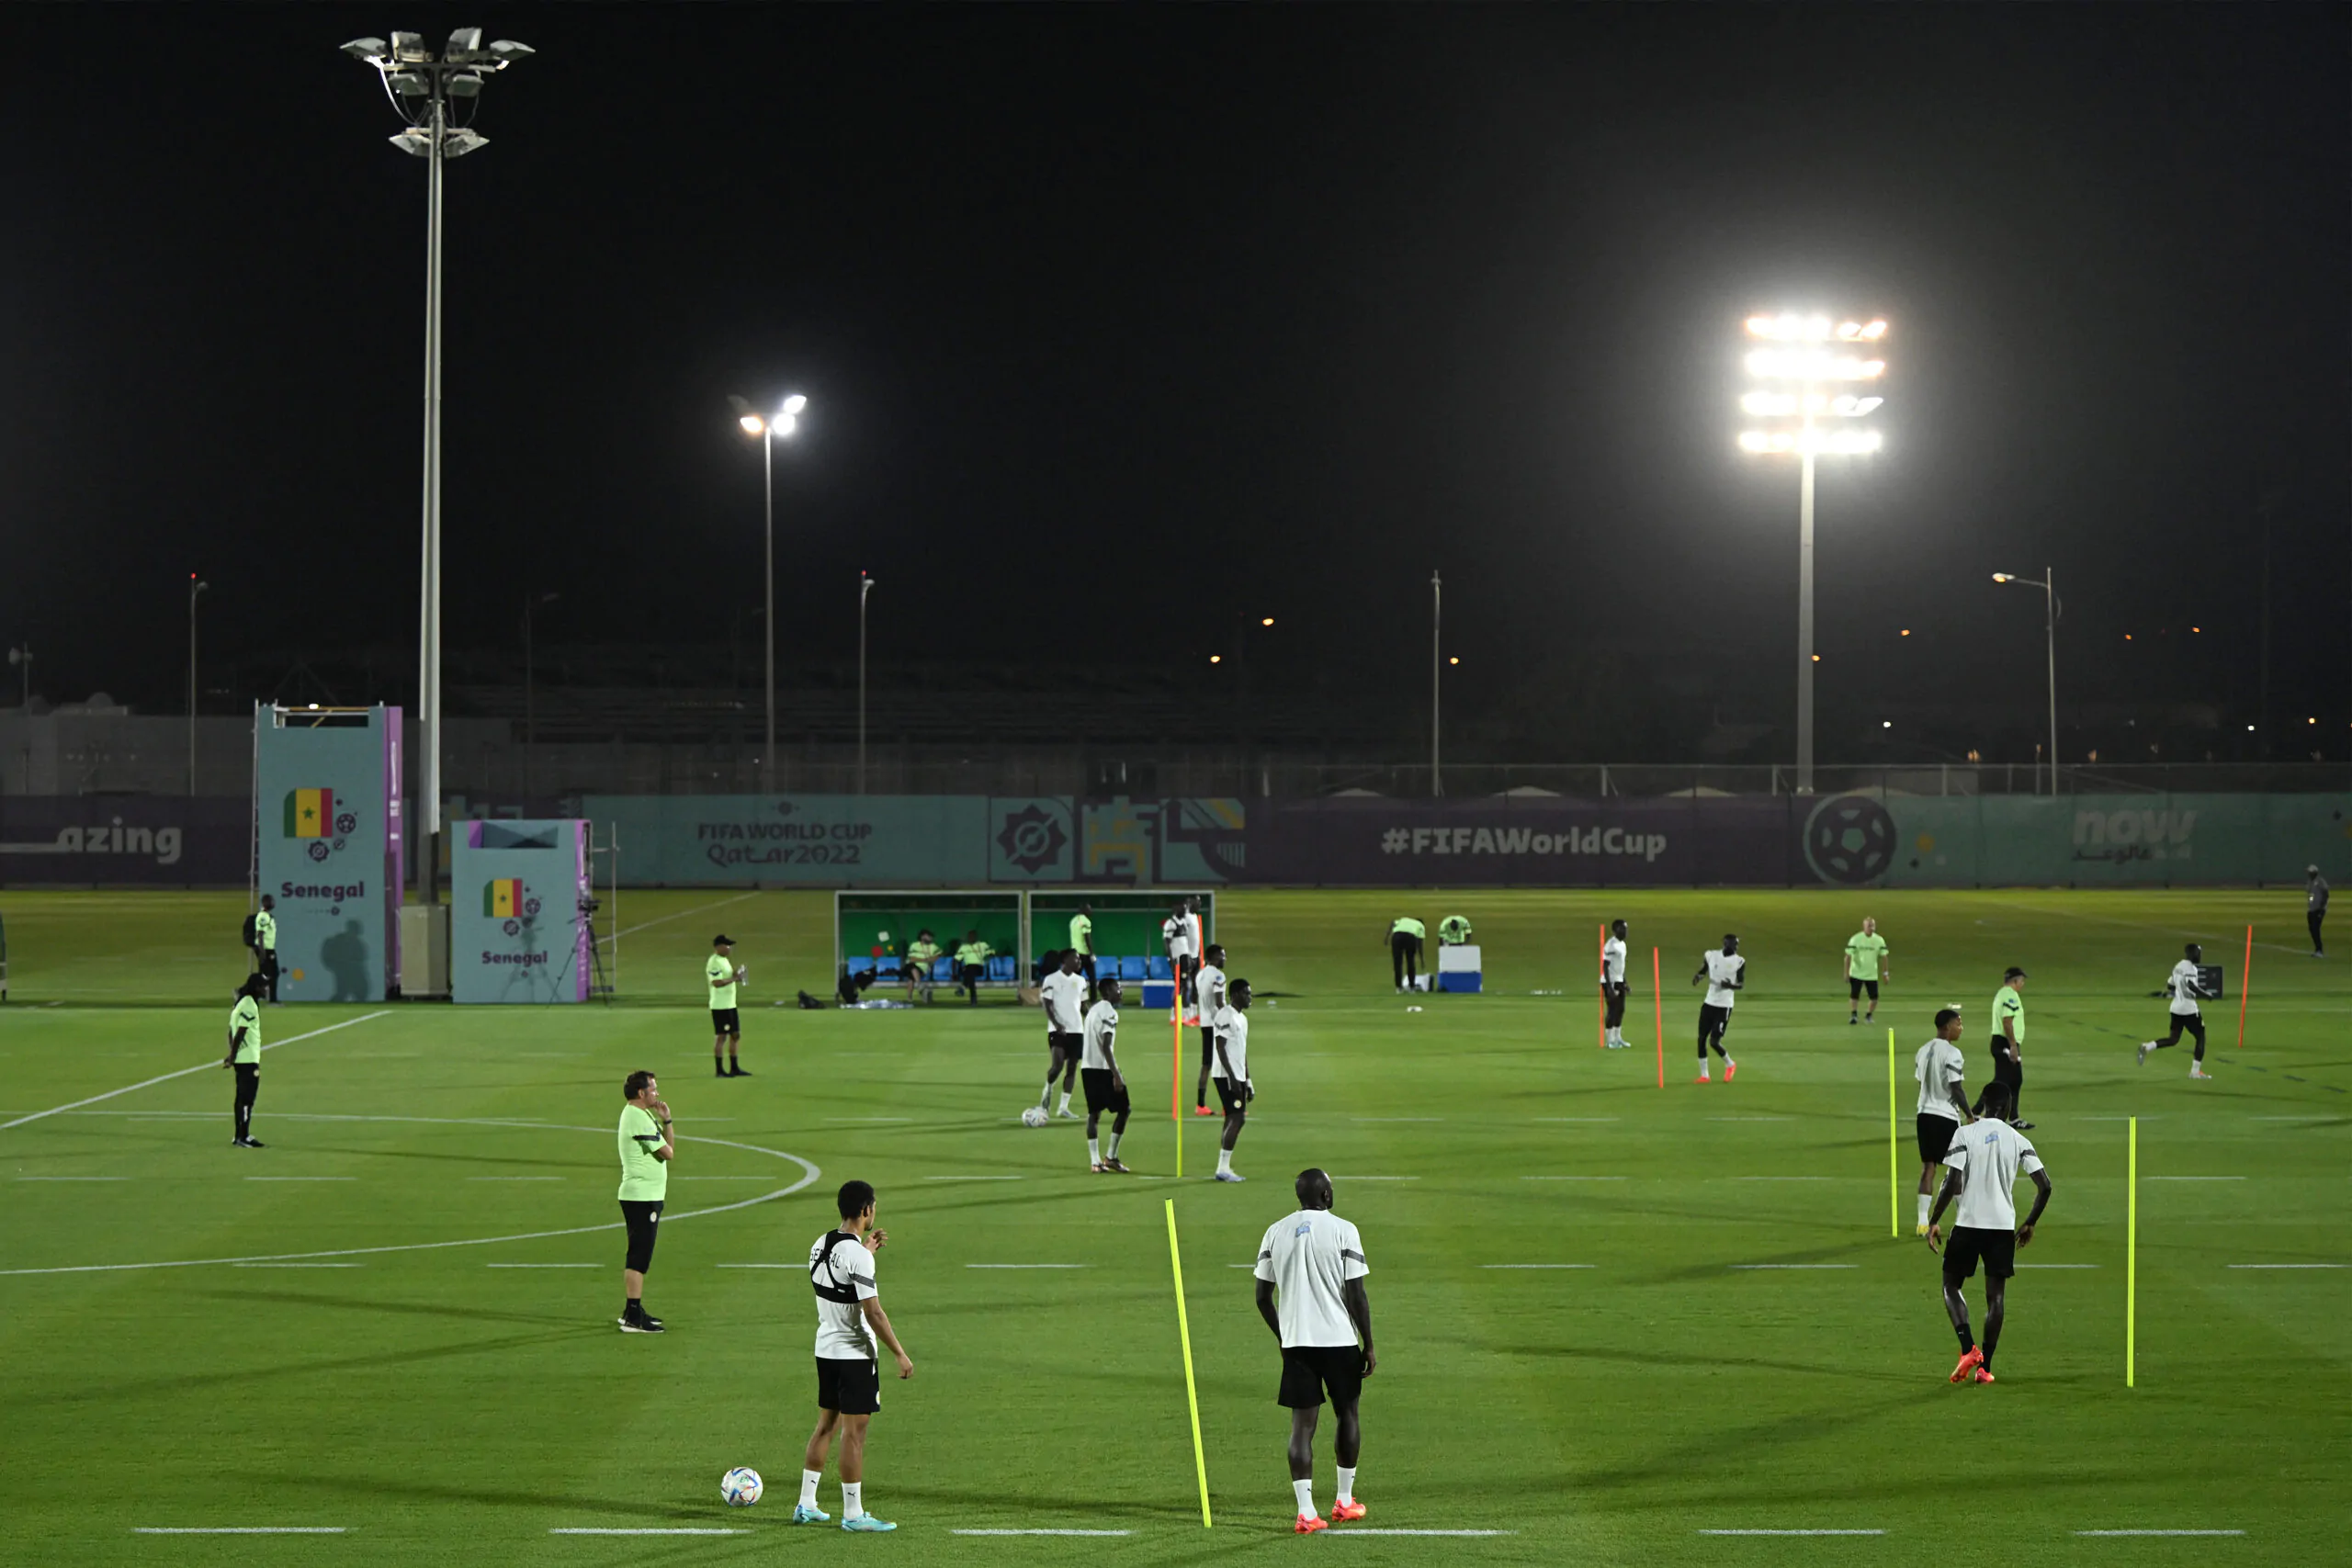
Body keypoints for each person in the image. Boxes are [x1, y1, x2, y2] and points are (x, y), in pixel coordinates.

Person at [1253, 1167, 1375, 1533]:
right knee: (1347, 1416)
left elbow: (1262, 1298)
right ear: (1325, 1195)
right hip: (1339, 1342)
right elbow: (1356, 1294)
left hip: (1298, 1346)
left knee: (1301, 1428)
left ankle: (1306, 1513)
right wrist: (1368, 1344)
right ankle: (1345, 1501)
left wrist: (1284, 1336)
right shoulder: (1344, 1229)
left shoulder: (1275, 1231)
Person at [797, 1179, 914, 1533]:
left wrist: (866, 1252)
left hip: (826, 1349)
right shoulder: (858, 1256)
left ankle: (806, 1503)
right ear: (866, 1210)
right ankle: (853, 1513)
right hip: (855, 1354)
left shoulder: (820, 1244)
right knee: (854, 1435)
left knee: (826, 1426)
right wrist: (900, 1354)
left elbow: (839, 1281)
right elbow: (873, 1312)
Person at [1926, 1081, 2052, 1385]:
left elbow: (1951, 1181)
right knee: (1995, 1298)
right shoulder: (2018, 1139)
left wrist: (1934, 1220)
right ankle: (1985, 1368)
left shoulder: (1965, 1134)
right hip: (2001, 1228)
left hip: (1969, 1222)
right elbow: (2045, 1185)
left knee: (1950, 1285)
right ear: (2009, 1109)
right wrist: (2030, 1222)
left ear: (1983, 1103)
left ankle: (1968, 1347)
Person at [616, 1069, 673, 1333]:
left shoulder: (640, 1115)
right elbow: (668, 1153)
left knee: (639, 1254)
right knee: (639, 1256)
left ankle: (632, 1310)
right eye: (653, 1088)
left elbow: (665, 1153)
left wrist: (665, 1121)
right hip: (641, 1197)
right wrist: (668, 1123)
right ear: (642, 1093)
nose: (657, 1093)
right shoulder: (637, 1117)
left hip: (644, 1195)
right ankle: (633, 1317)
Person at [1913, 1007, 1973, 1234]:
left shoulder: (1922, 1050)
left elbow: (1921, 1083)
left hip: (1924, 1113)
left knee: (1929, 1167)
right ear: (1948, 1026)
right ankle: (1962, 1220)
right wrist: (1969, 1114)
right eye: (1959, 1023)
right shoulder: (1952, 1053)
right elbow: (1955, 1087)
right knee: (1957, 1169)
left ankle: (1921, 1221)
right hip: (1946, 1116)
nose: (1961, 1028)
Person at [2138, 942, 2214, 1078]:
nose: (2200, 956)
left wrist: (2179, 989)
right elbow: (2191, 985)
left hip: (2176, 1008)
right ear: (2194, 954)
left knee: (2173, 1039)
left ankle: (2147, 1047)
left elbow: (2170, 985)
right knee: (2201, 1037)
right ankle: (2195, 1072)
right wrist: (2206, 994)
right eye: (2199, 953)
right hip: (2189, 1009)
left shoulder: (2178, 966)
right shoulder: (2191, 968)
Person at [1080, 977, 1133, 1173]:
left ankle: (1095, 1162)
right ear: (1108, 992)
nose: (1121, 991)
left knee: (1094, 1114)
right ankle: (1111, 1156)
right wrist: (1116, 1074)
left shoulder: (1093, 1010)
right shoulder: (1110, 1013)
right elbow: (1106, 1046)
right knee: (1124, 1109)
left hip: (1087, 1067)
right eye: (1117, 988)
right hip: (1103, 1069)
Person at [1212, 977, 1255, 1182]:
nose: (1250, 997)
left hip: (1236, 1076)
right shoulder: (1225, 1015)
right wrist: (1232, 1078)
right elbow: (1220, 1047)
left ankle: (1223, 1166)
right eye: (1247, 993)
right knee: (1238, 1117)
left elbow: (1242, 1052)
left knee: (1232, 1116)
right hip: (1225, 1075)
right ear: (1236, 994)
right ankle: (1223, 1167)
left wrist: (1248, 1080)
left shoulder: (1242, 1019)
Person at [1974, 967, 2030, 1129]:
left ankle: (2013, 1118)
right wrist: (2013, 1045)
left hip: (2003, 1042)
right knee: (2003, 1081)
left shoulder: (2002, 993)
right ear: (2014, 981)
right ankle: (1976, 1112)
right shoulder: (2010, 995)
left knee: (2014, 1080)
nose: (2023, 984)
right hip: (2005, 1042)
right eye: (2021, 981)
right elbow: (2007, 1021)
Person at [1035, 950, 1085, 1121]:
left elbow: (1083, 1005)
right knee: (1057, 1066)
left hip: (1077, 1029)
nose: (1079, 961)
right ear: (1065, 960)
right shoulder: (1051, 979)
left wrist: (1094, 1018)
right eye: (1075, 958)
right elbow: (1047, 1004)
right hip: (1057, 1031)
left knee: (1072, 1067)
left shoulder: (1081, 981)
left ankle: (1063, 1107)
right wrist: (1056, 1024)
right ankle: (1048, 1089)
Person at [220, 973, 267, 1147]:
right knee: (247, 1098)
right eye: (264, 986)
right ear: (256, 987)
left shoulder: (241, 1003)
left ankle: (239, 1135)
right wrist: (232, 1056)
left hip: (242, 1058)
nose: (266, 989)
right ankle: (243, 1136)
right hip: (247, 1059)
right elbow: (240, 1031)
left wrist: (232, 1054)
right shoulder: (249, 1005)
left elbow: (230, 1031)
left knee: (241, 1098)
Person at [1689, 934, 1744, 1082]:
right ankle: (1704, 1075)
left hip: (1724, 1006)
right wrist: (1698, 976)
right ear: (1725, 944)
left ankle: (1730, 1064)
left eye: (1737, 945)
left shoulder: (1739, 961)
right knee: (1701, 1039)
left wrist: (1730, 986)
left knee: (1714, 1041)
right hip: (1709, 1003)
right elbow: (1704, 970)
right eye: (1733, 944)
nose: (1735, 948)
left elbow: (1741, 984)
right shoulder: (1711, 955)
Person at [1193, 942, 1230, 1115]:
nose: (1225, 959)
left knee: (1206, 1064)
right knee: (1224, 1062)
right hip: (1217, 1024)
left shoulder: (1200, 974)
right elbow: (1220, 1002)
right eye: (1222, 955)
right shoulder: (1219, 976)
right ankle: (1228, 1105)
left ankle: (1200, 1105)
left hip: (1205, 1022)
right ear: (1214, 957)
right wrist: (1231, 1018)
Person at [707, 935, 747, 1077]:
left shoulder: (724, 961)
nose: (729, 948)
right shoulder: (714, 962)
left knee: (735, 1035)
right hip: (720, 1006)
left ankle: (734, 1068)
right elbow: (716, 983)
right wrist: (735, 979)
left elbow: (727, 977)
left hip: (730, 1004)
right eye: (727, 945)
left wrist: (736, 974)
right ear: (718, 947)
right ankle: (720, 1070)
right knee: (721, 1037)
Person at [1844, 916, 1889, 1026]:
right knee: (1854, 995)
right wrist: (1846, 972)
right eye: (1869, 925)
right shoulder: (1856, 939)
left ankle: (1869, 1015)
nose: (1871, 927)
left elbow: (1884, 957)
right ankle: (1854, 1015)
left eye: (1873, 925)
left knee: (1874, 997)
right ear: (1864, 926)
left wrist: (1885, 973)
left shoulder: (1879, 940)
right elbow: (1848, 956)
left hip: (1871, 974)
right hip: (1856, 973)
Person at [1163, 898, 1201, 1005]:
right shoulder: (1171, 923)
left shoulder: (1183, 922)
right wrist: (1171, 959)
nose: (1185, 910)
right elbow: (1166, 943)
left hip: (1185, 958)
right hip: (1177, 959)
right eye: (1183, 909)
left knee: (1185, 985)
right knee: (1180, 986)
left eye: (1185, 908)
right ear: (1176, 909)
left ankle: (1184, 1013)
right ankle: (1174, 1013)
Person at [1600, 919, 1630, 1048]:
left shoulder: (1622, 944)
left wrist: (1625, 982)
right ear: (1615, 930)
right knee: (1612, 1010)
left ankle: (1618, 1038)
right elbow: (1605, 966)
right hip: (1610, 981)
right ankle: (1610, 1040)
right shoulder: (1610, 945)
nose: (1625, 932)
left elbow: (1620, 966)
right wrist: (1609, 987)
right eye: (1623, 929)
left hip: (1619, 979)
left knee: (1621, 1010)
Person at [251, 894, 279, 1004]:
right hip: (265, 949)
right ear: (265, 903)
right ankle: (272, 1000)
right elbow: (260, 934)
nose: (272, 903)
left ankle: (247, 992)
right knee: (273, 973)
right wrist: (262, 952)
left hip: (267, 949)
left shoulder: (267, 916)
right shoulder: (263, 916)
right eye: (270, 901)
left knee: (265, 973)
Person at [901, 929, 942, 1004]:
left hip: (922, 969)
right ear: (922, 937)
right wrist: (925, 960)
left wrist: (927, 960)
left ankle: (910, 998)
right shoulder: (914, 945)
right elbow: (912, 958)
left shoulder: (933, 946)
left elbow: (937, 956)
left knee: (911, 976)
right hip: (908, 966)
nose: (931, 938)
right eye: (929, 936)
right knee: (911, 966)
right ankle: (920, 987)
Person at [953, 930, 993, 1005]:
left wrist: (989, 957)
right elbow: (956, 959)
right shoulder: (964, 947)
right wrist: (954, 972)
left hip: (979, 968)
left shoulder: (982, 945)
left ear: (976, 937)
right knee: (970, 975)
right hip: (967, 968)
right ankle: (973, 998)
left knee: (969, 972)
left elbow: (992, 952)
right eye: (970, 936)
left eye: (973, 936)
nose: (971, 938)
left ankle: (964, 988)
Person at [1386, 916, 1425, 992]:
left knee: (1397, 963)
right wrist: (1422, 959)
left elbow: (1392, 923)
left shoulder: (1404, 920)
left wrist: (1386, 938)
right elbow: (1419, 943)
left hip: (1396, 936)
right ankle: (1411, 987)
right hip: (1409, 937)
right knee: (1410, 962)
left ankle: (1398, 988)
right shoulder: (1420, 926)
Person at [1069, 903, 1096, 1001]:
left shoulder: (1073, 921)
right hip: (1084, 954)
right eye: (1089, 909)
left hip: (1074, 954)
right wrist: (1092, 953)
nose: (1091, 911)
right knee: (1092, 977)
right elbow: (1087, 938)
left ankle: (1072, 997)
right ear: (1084, 910)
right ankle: (1093, 999)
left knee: (1074, 978)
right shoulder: (1086, 921)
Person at [2308, 865, 2328, 956]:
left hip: (2319, 909)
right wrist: (2311, 903)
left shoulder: (2320, 881)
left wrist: (2322, 906)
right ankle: (2317, 949)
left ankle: (2319, 950)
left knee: (2315, 929)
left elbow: (2325, 893)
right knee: (2312, 929)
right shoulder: (2311, 883)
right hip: (2312, 909)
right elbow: (2311, 894)